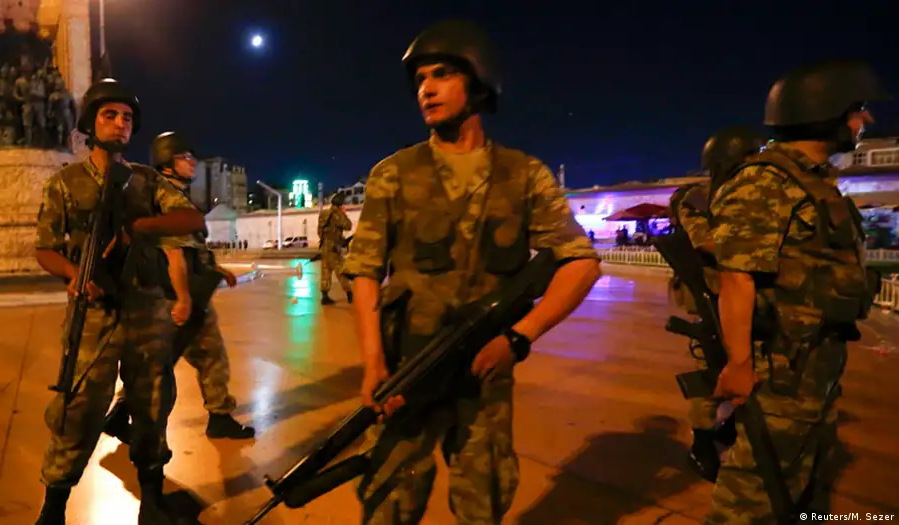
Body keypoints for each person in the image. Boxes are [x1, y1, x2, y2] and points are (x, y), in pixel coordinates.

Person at [340, 19, 602, 524]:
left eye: (442, 74)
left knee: (484, 503)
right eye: (420, 79)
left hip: (484, 375)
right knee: (389, 500)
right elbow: (365, 271)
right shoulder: (393, 174)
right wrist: (372, 363)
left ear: (478, 83)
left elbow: (581, 264)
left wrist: (519, 338)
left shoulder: (523, 175)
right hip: (408, 370)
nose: (426, 89)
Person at [706, 60, 886, 522]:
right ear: (824, 110)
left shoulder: (811, 180)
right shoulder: (765, 180)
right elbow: (737, 276)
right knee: (753, 492)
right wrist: (739, 365)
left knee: (802, 482)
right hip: (781, 368)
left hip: (814, 362)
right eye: (857, 109)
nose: (865, 119)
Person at [33, 78, 206, 525]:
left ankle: (152, 498)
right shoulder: (66, 184)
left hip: (145, 310)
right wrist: (74, 275)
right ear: (91, 124)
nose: (120, 123)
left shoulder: (146, 181)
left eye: (127, 117)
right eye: (109, 115)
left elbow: (191, 219)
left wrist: (140, 228)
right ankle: (54, 507)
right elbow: (44, 249)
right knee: (78, 409)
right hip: (93, 315)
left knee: (152, 404)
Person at [104, 131, 257, 441]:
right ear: (167, 164)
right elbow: (174, 251)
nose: (192, 162)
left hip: (175, 294)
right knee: (204, 356)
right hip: (179, 296)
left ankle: (121, 412)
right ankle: (218, 416)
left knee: (162, 361)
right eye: (184, 157)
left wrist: (216, 270)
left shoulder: (170, 195)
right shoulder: (168, 198)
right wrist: (185, 299)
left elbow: (190, 250)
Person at [665, 125, 766, 482]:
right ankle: (703, 443)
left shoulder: (751, 197)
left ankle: (728, 431)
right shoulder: (696, 197)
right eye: (750, 158)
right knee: (712, 372)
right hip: (711, 296)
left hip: (740, 296)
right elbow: (706, 243)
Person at [318, 193, 354, 305]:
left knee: (325, 271)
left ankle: (324, 296)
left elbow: (319, 231)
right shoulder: (338, 215)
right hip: (334, 249)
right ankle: (349, 293)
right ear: (340, 205)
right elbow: (348, 226)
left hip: (324, 247)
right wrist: (344, 214)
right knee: (341, 271)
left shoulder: (323, 213)